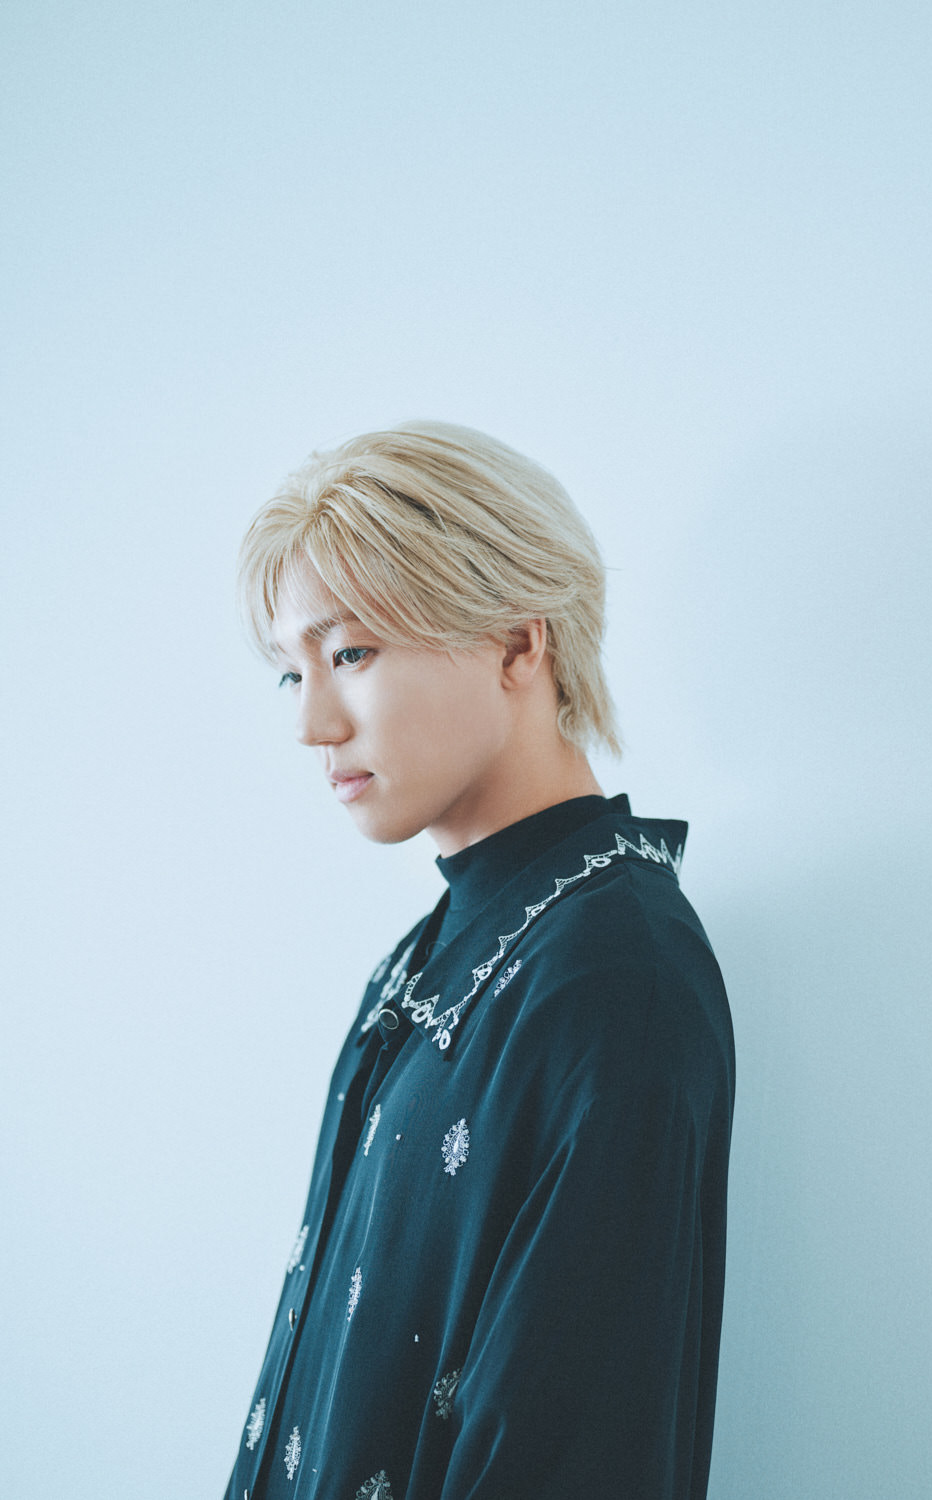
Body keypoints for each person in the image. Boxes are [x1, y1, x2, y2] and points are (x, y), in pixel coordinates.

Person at [224, 421, 735, 1500]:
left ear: (515, 644)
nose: (312, 724)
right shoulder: (425, 959)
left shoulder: (615, 974)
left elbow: (577, 1446)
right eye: (291, 674)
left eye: (350, 653)